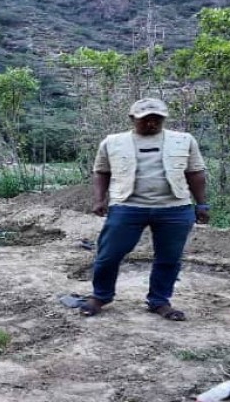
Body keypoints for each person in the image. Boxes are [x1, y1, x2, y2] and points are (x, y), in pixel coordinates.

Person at [79, 97, 210, 322]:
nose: (151, 123)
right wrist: (99, 200)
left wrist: (201, 204)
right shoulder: (113, 142)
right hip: (127, 206)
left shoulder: (184, 140)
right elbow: (101, 171)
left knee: (169, 258)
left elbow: (195, 173)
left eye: (157, 118)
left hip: (174, 208)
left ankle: (159, 301)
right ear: (132, 118)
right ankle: (100, 296)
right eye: (145, 119)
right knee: (108, 254)